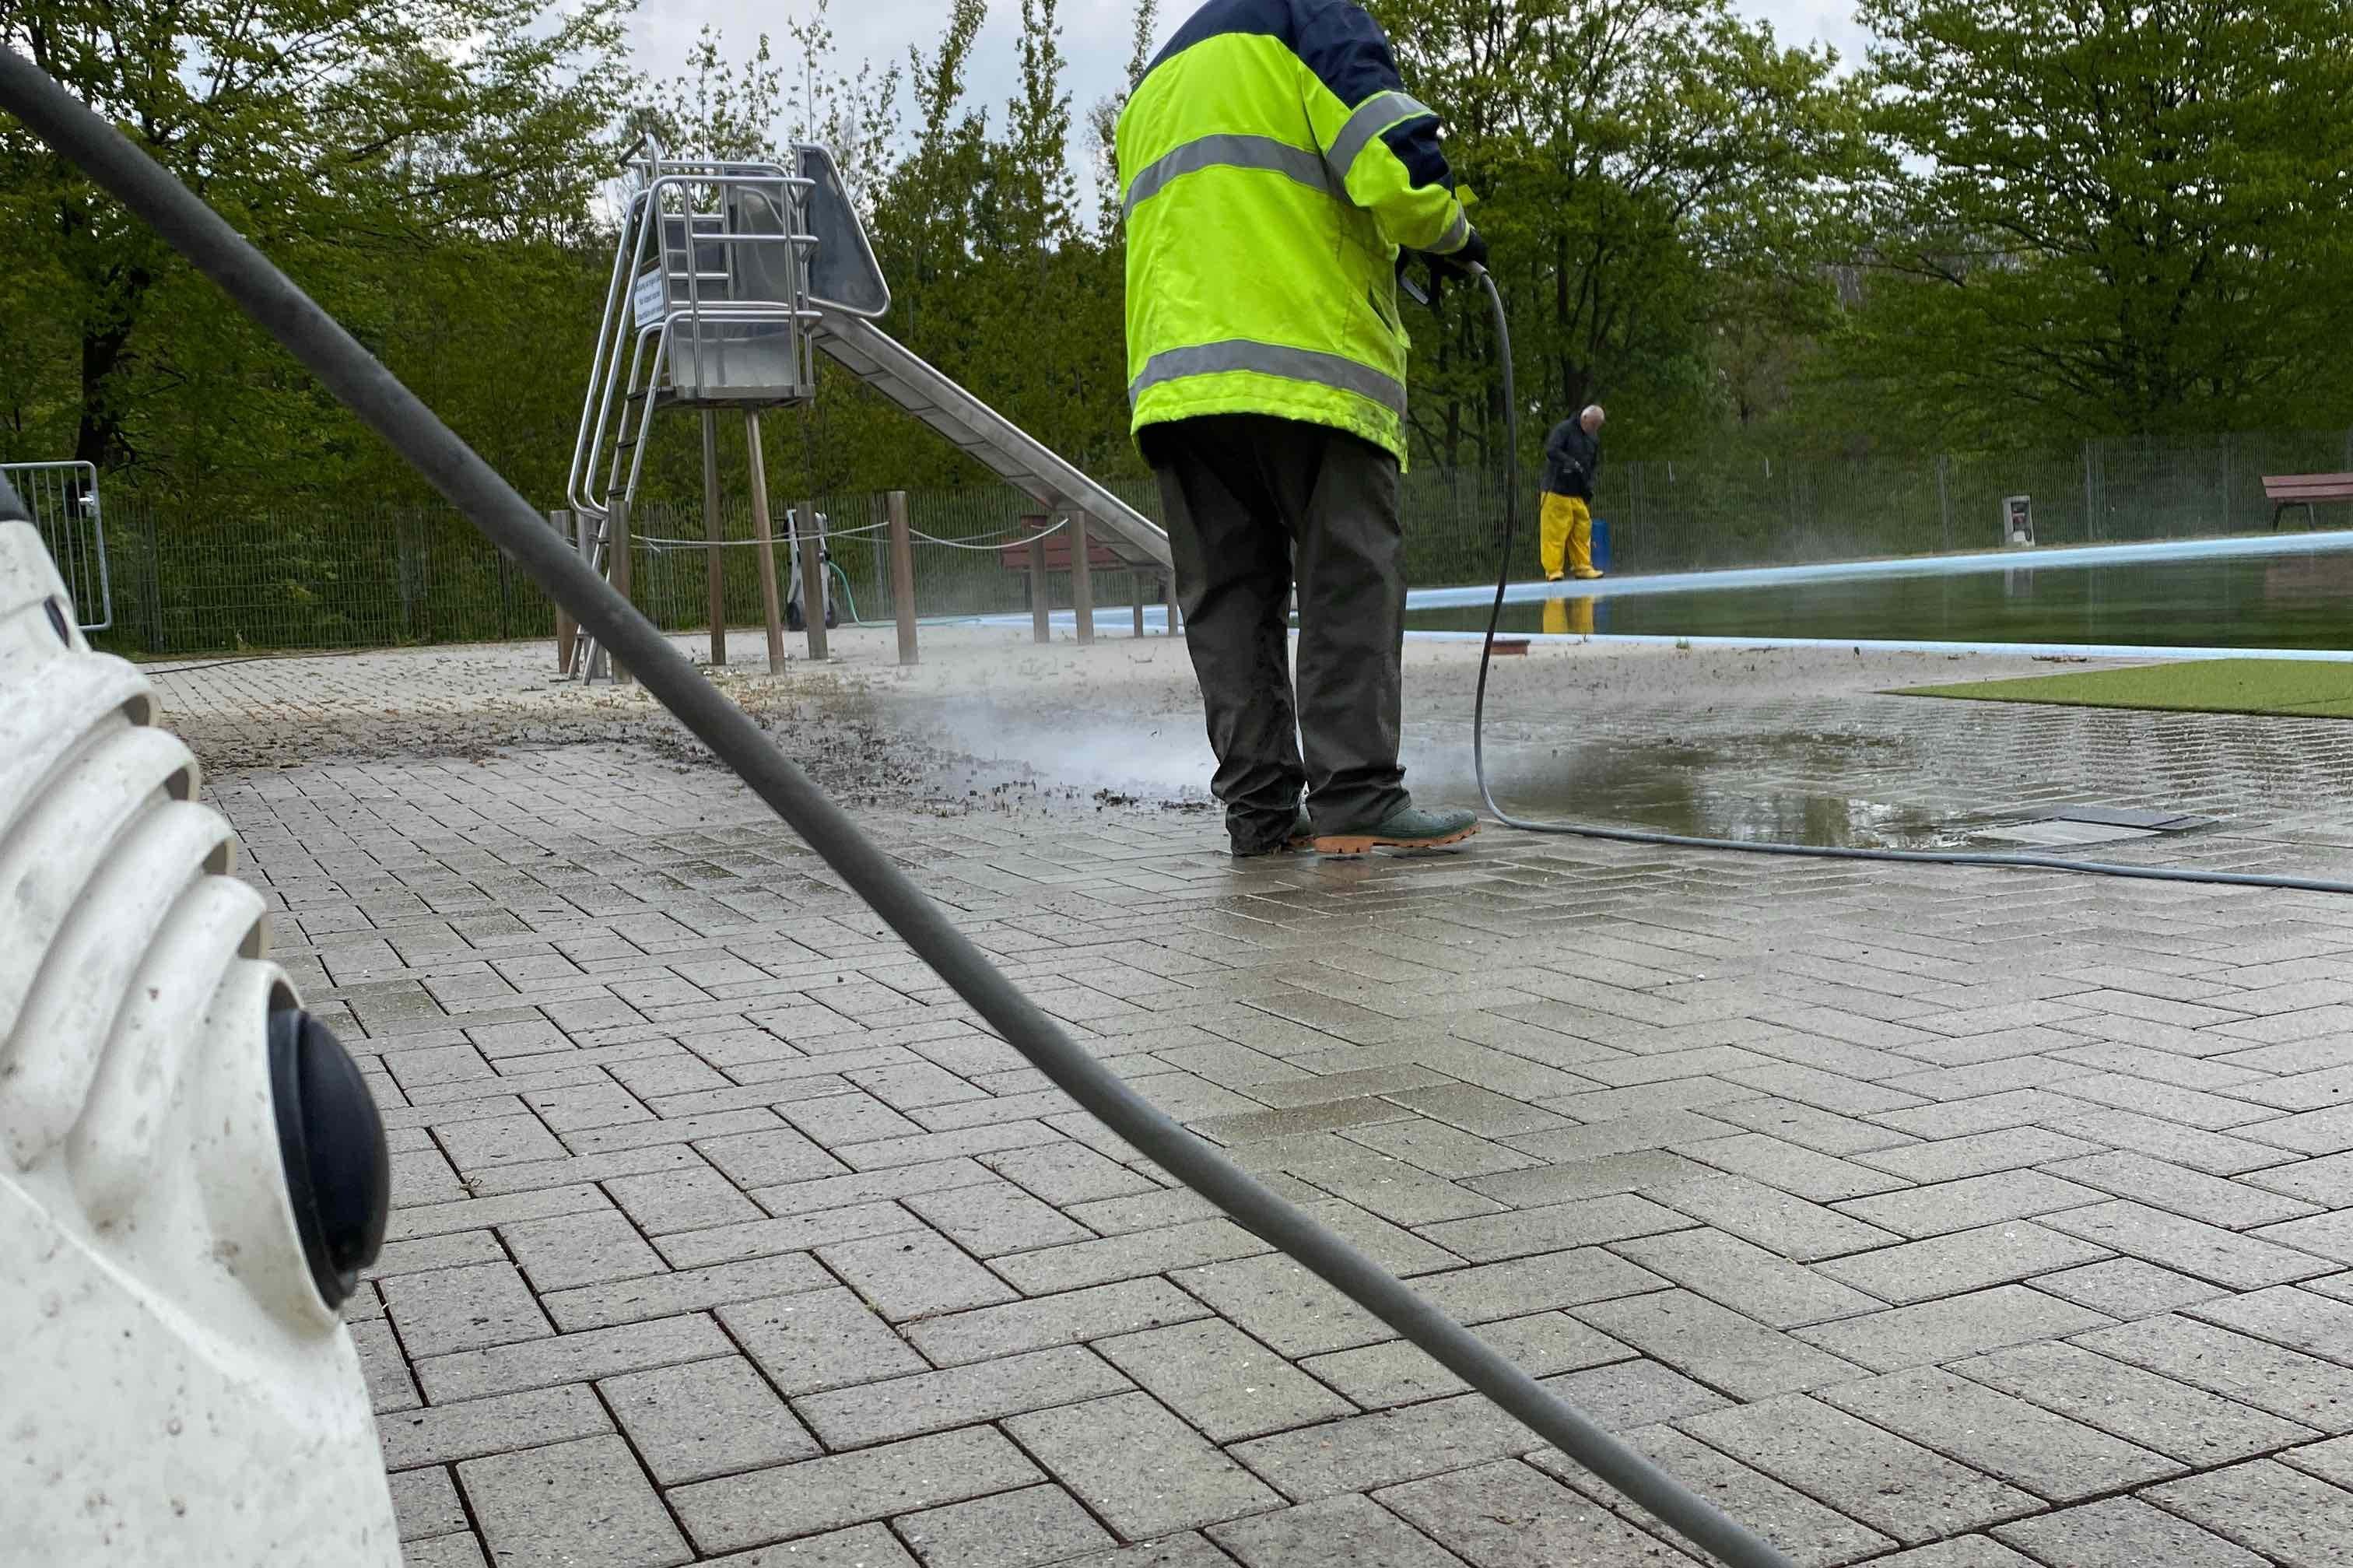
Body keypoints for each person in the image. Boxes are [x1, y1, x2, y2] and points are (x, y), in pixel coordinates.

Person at [1118, 0, 1486, 858]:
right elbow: (1391, 162)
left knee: (1228, 598)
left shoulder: (1157, 78)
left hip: (1178, 378)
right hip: (1306, 356)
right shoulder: (1315, 18)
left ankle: (1259, 813)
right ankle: (1356, 792)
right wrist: (1453, 231)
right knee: (1347, 575)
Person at [1541, 404, 1605, 581]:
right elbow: (1551, 450)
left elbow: (1593, 465)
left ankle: (1583, 567)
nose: (1594, 429)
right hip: (1556, 491)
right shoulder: (1565, 429)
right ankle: (1553, 571)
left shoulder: (1593, 439)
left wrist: (1590, 484)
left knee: (1582, 530)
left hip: (1578, 493)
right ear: (1584, 418)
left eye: (1597, 427)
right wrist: (1569, 462)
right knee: (1554, 532)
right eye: (1592, 425)